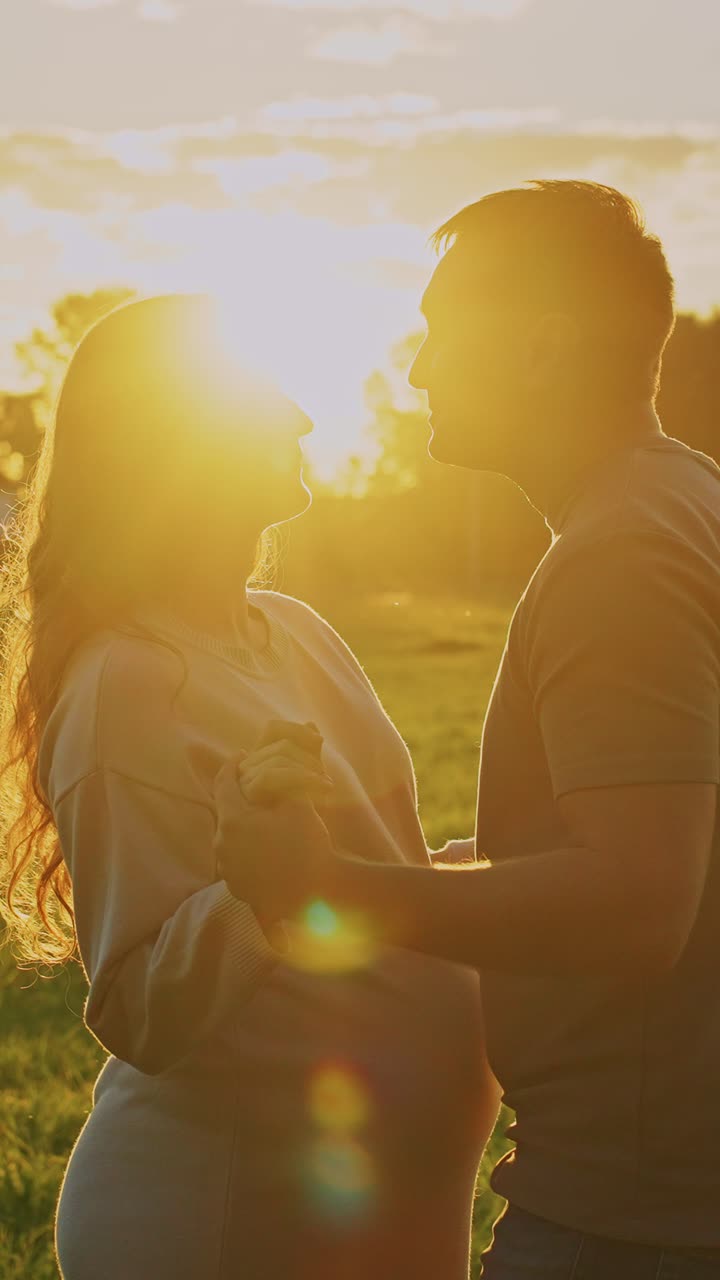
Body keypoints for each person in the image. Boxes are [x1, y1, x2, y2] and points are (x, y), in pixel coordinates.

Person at [215, 181, 720, 1279]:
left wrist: (332, 884)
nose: (419, 368)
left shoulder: (619, 555)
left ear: (542, 345)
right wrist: (480, 869)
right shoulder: (683, 503)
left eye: (443, 331)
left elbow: (641, 901)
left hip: (629, 1222)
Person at [0, 294, 499, 1280]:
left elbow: (369, 873)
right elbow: (141, 1006)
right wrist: (262, 887)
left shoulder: (295, 629)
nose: (303, 421)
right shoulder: (125, 682)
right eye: (264, 397)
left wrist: (503, 868)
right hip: (230, 1214)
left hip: (377, 1208)